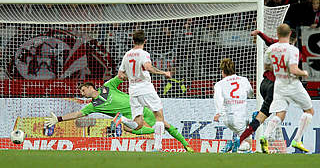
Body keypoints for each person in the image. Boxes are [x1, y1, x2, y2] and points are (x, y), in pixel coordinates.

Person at [44, 76, 193, 152]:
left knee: (165, 125)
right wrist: (58, 119)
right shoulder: (93, 106)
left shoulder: (108, 86)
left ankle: (186, 145)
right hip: (133, 116)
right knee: (129, 129)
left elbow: (120, 76)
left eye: (83, 91)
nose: (82, 94)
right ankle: (153, 129)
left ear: (90, 87)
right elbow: (77, 114)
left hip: (140, 108)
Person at [260, 23, 314, 154]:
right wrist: (305, 73)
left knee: (280, 115)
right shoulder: (292, 50)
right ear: (290, 34)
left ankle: (265, 136)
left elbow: (267, 66)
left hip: (279, 84)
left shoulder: (271, 49)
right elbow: (294, 70)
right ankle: (297, 139)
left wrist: (279, 70)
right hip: (292, 84)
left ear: (277, 35)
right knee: (309, 111)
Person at [239, 28, 297, 147]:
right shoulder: (293, 51)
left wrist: (259, 33)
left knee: (266, 112)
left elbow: (269, 40)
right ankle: (264, 136)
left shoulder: (277, 44)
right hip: (274, 87)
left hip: (264, 84)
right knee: (279, 113)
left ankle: (245, 136)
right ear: (294, 40)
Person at [117, 30, 172, 152]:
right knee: (159, 117)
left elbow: (120, 75)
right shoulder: (143, 53)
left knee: (138, 124)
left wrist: (131, 77)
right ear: (145, 41)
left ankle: (121, 119)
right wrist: (164, 73)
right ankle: (158, 147)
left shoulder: (127, 55)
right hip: (145, 88)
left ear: (133, 41)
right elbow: (148, 67)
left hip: (132, 90)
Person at [213, 58, 254, 153]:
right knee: (247, 143)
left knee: (246, 128)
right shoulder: (244, 80)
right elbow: (251, 93)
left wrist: (218, 113)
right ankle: (236, 145)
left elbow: (218, 99)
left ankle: (234, 143)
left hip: (227, 118)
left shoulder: (219, 84)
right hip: (240, 118)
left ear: (223, 72)